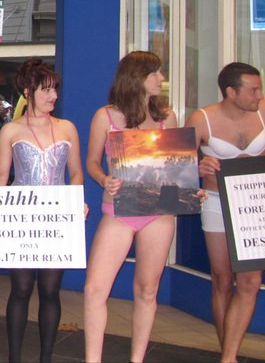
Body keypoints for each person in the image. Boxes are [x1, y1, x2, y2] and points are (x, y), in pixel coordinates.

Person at [84, 51, 177, 363]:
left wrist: (190, 190)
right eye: (156, 73)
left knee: (148, 289)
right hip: (119, 211)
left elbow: (176, 167)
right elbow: (92, 162)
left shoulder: (167, 118)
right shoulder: (106, 116)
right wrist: (103, 179)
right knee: (95, 289)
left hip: (158, 212)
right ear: (137, 77)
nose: (161, 79)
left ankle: (137, 359)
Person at [0, 58, 83, 363]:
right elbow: (1, 175)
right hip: (22, 217)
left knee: (50, 289)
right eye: (46, 90)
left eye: (55, 89)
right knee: (20, 288)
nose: (53, 96)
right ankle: (14, 358)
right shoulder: (11, 130)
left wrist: (76, 201)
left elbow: (76, 173)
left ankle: (46, 357)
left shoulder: (67, 128)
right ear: (28, 92)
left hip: (56, 217)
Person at [185, 62, 265, 362]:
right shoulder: (202, 119)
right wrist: (198, 167)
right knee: (222, 280)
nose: (259, 95)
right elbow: (177, 165)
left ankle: (228, 357)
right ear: (231, 92)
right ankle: (227, 351)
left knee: (251, 282)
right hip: (216, 201)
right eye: (253, 90)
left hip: (254, 204)